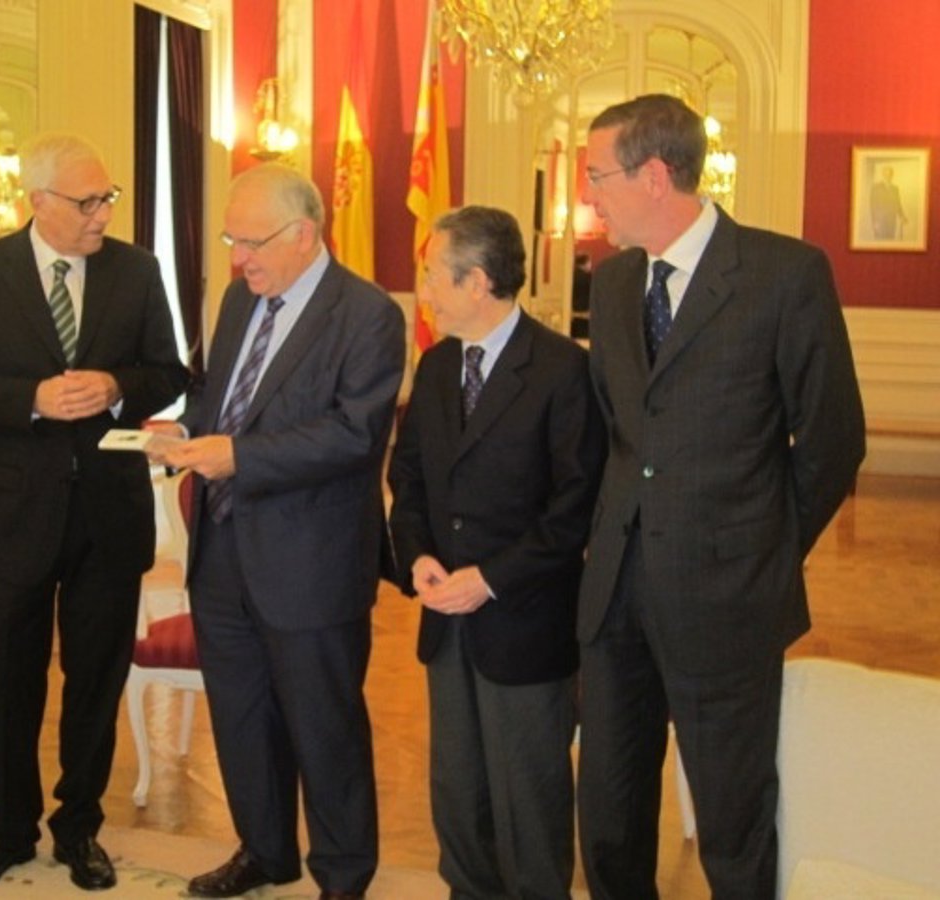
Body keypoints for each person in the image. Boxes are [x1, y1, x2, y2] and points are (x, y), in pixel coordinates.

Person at [575, 94, 865, 900]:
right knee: (608, 813)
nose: (589, 194)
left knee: (732, 822)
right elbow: (615, 430)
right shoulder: (613, 281)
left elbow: (834, 440)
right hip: (616, 593)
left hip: (729, 598)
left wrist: (763, 548)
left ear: (654, 176)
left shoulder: (784, 275)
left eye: (598, 175)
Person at [0, 133, 189, 891]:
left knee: (95, 682)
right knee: (8, 683)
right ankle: (6, 832)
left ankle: (79, 830)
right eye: (87, 201)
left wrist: (116, 387)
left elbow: (168, 372)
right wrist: (31, 400)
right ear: (37, 201)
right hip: (17, 517)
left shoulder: (137, 271)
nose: (102, 213)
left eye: (108, 198)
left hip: (109, 517)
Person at [148, 162, 405, 900]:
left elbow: (355, 434)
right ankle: (264, 852)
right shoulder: (240, 299)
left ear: (305, 234)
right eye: (232, 240)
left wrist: (238, 456)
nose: (239, 258)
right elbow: (221, 396)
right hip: (222, 551)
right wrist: (184, 429)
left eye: (252, 241)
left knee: (325, 730)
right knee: (241, 719)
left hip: (312, 562)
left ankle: (343, 877)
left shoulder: (367, 314)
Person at [388, 205, 605, 900]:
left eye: (432, 274)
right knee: (458, 793)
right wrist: (416, 555)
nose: (423, 290)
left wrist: (489, 579)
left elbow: (574, 508)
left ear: (477, 281)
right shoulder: (436, 365)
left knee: (529, 801)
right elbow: (409, 479)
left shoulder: (563, 370)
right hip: (445, 624)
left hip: (525, 624)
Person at [869, 164, 907, 239]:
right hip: (880, 220)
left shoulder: (895, 189)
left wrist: (902, 216)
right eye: (886, 174)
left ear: (892, 175)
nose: (888, 176)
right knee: (880, 240)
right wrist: (875, 221)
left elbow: (897, 203)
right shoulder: (876, 187)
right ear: (883, 175)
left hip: (891, 219)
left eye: (889, 174)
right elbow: (873, 206)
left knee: (890, 238)